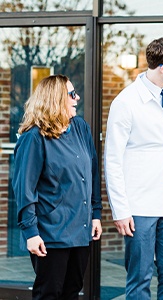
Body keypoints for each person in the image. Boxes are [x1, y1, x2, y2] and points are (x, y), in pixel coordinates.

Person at [104, 36, 163, 300]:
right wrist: (120, 210)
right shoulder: (125, 102)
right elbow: (113, 159)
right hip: (140, 201)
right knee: (140, 279)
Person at [12, 74, 102, 300]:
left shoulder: (80, 127)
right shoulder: (34, 137)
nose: (77, 98)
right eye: (72, 94)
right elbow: (24, 189)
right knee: (49, 293)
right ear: (56, 99)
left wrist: (96, 214)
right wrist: (31, 233)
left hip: (81, 230)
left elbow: (92, 172)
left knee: (72, 292)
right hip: (51, 232)